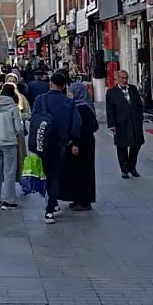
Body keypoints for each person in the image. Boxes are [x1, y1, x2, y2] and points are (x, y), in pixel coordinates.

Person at [31, 72, 81, 225]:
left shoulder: (41, 100)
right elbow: (77, 124)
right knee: (55, 176)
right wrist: (73, 141)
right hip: (61, 145)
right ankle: (50, 209)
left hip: (42, 144)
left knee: (47, 174)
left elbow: (34, 119)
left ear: (51, 84)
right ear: (64, 86)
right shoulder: (69, 102)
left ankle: (52, 203)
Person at [62, 81, 99, 211]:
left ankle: (83, 201)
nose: (69, 95)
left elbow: (82, 128)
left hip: (81, 144)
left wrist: (76, 143)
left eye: (71, 92)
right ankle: (78, 199)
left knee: (82, 173)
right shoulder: (86, 106)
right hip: (86, 143)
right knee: (79, 172)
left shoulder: (81, 108)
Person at [0, 87, 22, 209]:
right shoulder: (13, 107)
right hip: (9, 142)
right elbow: (18, 128)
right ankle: (8, 200)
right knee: (9, 171)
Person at [106, 69, 145, 179]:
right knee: (122, 146)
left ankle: (132, 167)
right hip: (120, 122)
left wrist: (139, 116)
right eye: (122, 78)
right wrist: (112, 124)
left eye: (126, 78)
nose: (124, 80)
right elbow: (110, 110)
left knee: (136, 144)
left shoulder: (132, 89)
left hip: (134, 121)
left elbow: (139, 104)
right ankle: (124, 169)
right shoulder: (111, 92)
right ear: (117, 79)